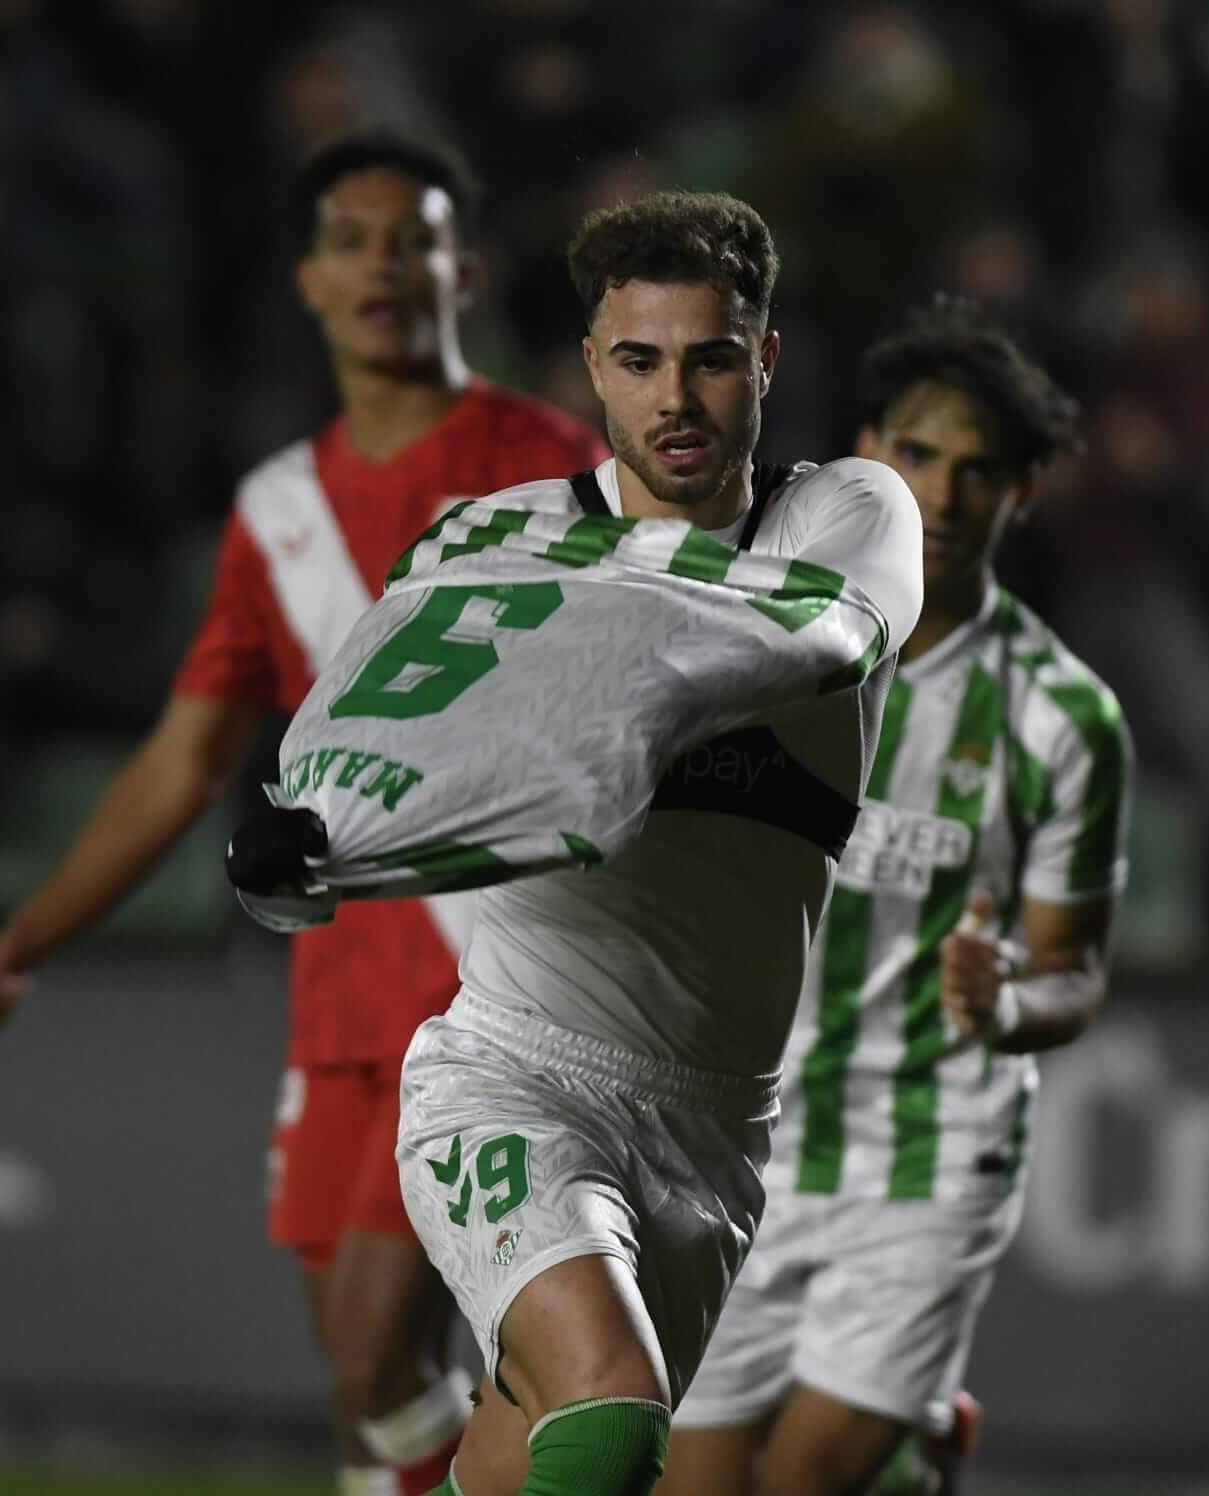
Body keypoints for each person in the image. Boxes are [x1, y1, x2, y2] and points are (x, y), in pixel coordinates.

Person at [0, 128, 606, 1496]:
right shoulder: (277, 511)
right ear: (305, 278)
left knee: (373, 1360)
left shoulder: (551, 467)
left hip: (495, 978)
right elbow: (180, 764)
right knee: (375, 1398)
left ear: (462, 265)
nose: (381, 268)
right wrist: (18, 950)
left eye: (411, 238)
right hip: (344, 981)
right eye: (350, 242)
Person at [375, 191, 925, 1496]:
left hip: (714, 1128)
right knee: (612, 1419)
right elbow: (384, 752)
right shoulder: (497, 542)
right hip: (513, 1071)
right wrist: (317, 848)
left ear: (766, 358)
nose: (675, 396)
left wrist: (580, 716)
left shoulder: (844, 516)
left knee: (529, 1465)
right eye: (638, 361)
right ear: (591, 371)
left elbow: (820, 639)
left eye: (711, 357)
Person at [661, 299, 1133, 1496]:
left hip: (932, 1151)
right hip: (750, 1140)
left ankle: (893, 1449)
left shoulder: (1060, 716)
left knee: (801, 1485)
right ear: (871, 450)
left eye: (983, 472)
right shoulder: (757, 642)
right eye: (922, 455)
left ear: (1021, 494)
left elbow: (1074, 971)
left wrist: (1011, 1000)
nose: (947, 494)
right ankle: (915, 1460)